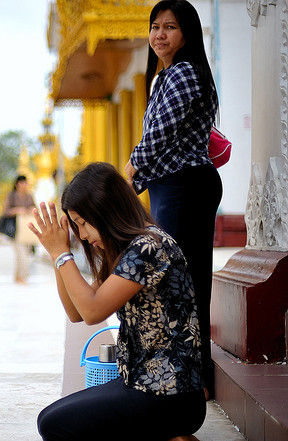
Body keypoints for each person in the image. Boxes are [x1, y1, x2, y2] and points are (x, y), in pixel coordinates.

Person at [32, 163, 205, 441]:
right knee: (48, 418)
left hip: (170, 392)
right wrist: (57, 255)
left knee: (56, 424)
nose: (83, 235)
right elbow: (77, 312)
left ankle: (169, 431)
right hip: (139, 383)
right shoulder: (129, 249)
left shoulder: (149, 246)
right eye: (76, 226)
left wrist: (63, 254)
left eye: (83, 223)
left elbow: (92, 311)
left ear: (107, 210)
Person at [124, 0, 221, 398]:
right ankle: (190, 378)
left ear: (187, 34)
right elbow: (161, 145)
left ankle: (192, 381)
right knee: (180, 280)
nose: (160, 35)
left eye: (170, 27)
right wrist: (133, 184)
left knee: (183, 281)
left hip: (186, 186)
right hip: (172, 185)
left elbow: (158, 136)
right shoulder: (164, 77)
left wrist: (127, 172)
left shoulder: (184, 73)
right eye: (155, 27)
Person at [3, 175, 36, 284]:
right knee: (20, 253)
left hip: (27, 229)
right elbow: (5, 211)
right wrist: (17, 210)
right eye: (22, 183)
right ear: (17, 184)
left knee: (25, 253)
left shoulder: (29, 196)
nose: (24, 185)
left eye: (25, 183)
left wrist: (31, 209)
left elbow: (34, 208)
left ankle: (18, 277)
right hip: (15, 229)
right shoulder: (11, 196)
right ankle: (22, 276)